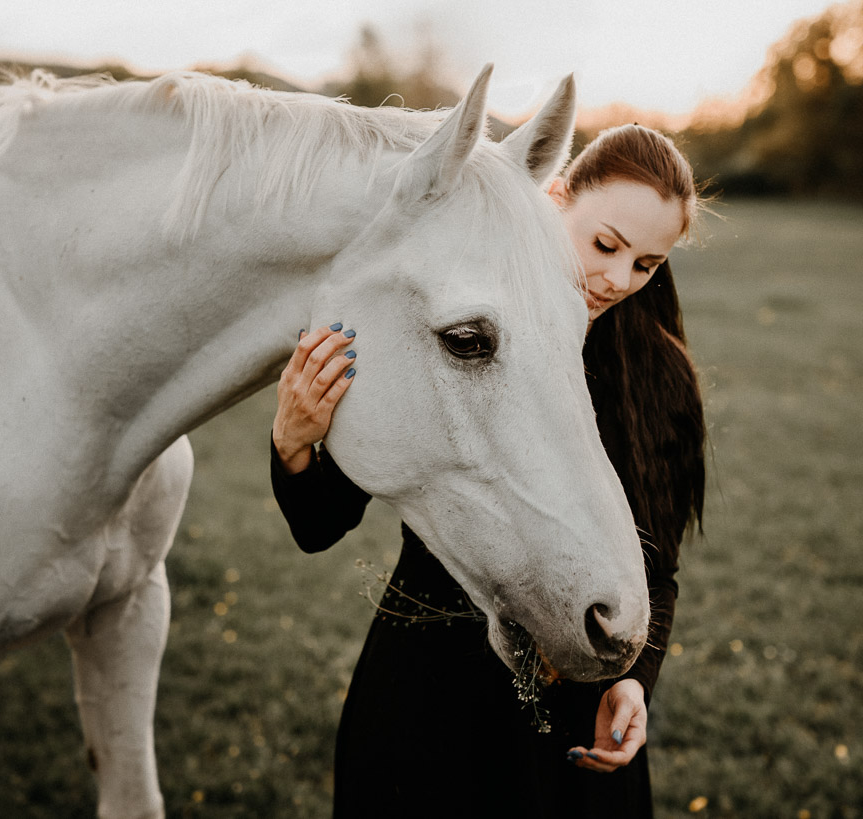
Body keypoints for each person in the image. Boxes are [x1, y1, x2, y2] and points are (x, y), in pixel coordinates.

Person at [269, 124, 707, 818]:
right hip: (426, 694)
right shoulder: (461, 326)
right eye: (605, 245)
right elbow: (320, 524)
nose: (618, 280)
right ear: (554, 197)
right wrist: (294, 441)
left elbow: (660, 565)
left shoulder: (660, 378)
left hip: (575, 712)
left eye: (646, 264)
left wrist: (634, 681)